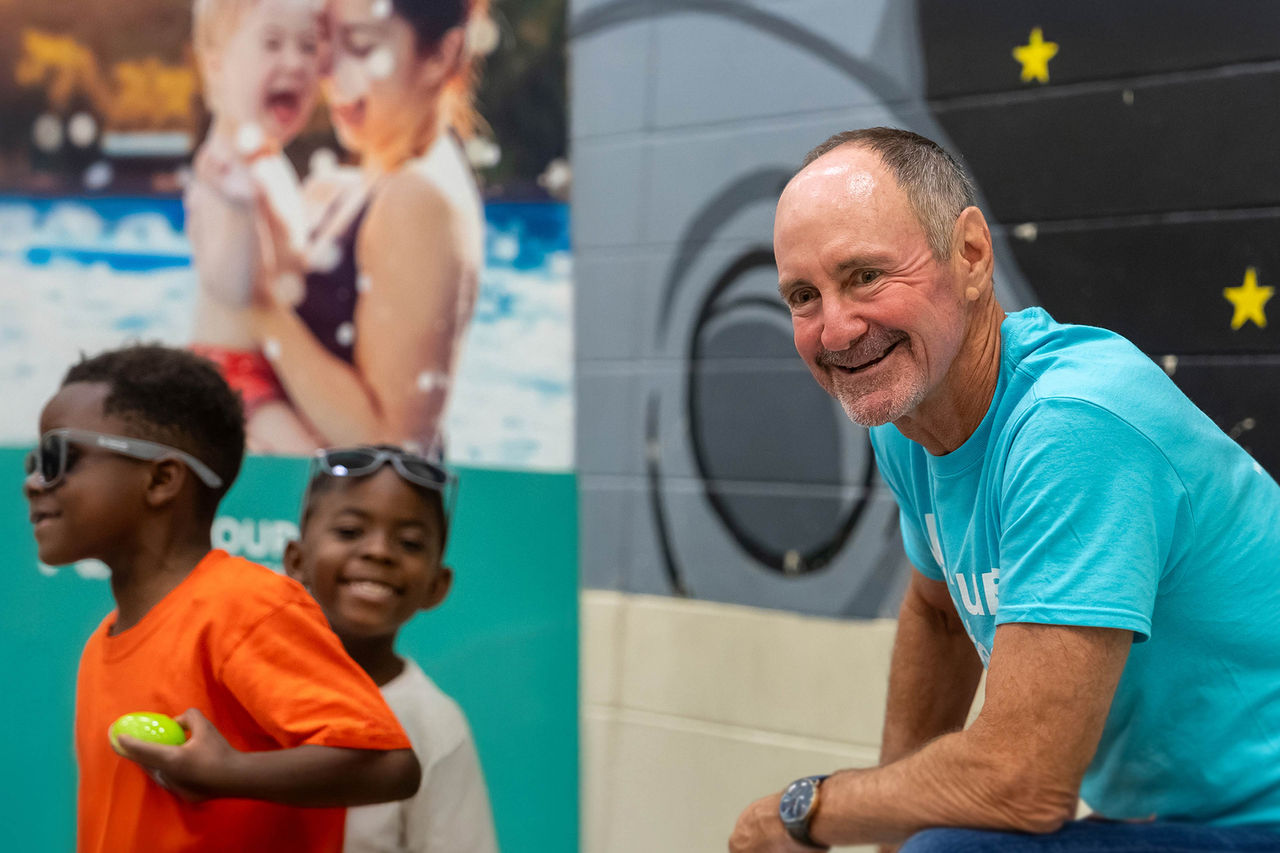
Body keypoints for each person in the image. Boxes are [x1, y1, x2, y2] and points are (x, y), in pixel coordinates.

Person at [729, 128, 1280, 852]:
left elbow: (1022, 782)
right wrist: (890, 828)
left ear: (971, 255)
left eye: (865, 275)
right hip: (1164, 819)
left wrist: (806, 810)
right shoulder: (907, 420)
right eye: (804, 295)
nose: (836, 329)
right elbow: (940, 614)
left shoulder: (1073, 424)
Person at [23, 344, 421, 853]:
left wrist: (230, 772)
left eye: (58, 458)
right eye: (36, 462)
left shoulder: (244, 604)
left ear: (162, 479)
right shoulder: (102, 645)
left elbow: (388, 764)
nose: (33, 484)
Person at [248, 0, 489, 454]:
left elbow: (391, 446)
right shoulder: (355, 184)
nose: (327, 69)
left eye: (359, 44)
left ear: (442, 55)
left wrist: (258, 306)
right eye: (325, 41)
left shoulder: (420, 198)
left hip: (361, 518)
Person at [284, 444, 499, 852]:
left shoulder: (434, 726)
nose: (379, 552)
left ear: (437, 585)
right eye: (349, 532)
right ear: (296, 560)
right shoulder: (241, 686)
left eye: (410, 543)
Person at [187, 0, 327, 451]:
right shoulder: (222, 168)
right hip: (232, 376)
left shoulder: (268, 160)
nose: (294, 62)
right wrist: (240, 210)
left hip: (275, 371)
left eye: (309, 46)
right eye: (271, 42)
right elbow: (230, 285)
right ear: (217, 66)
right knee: (318, 468)